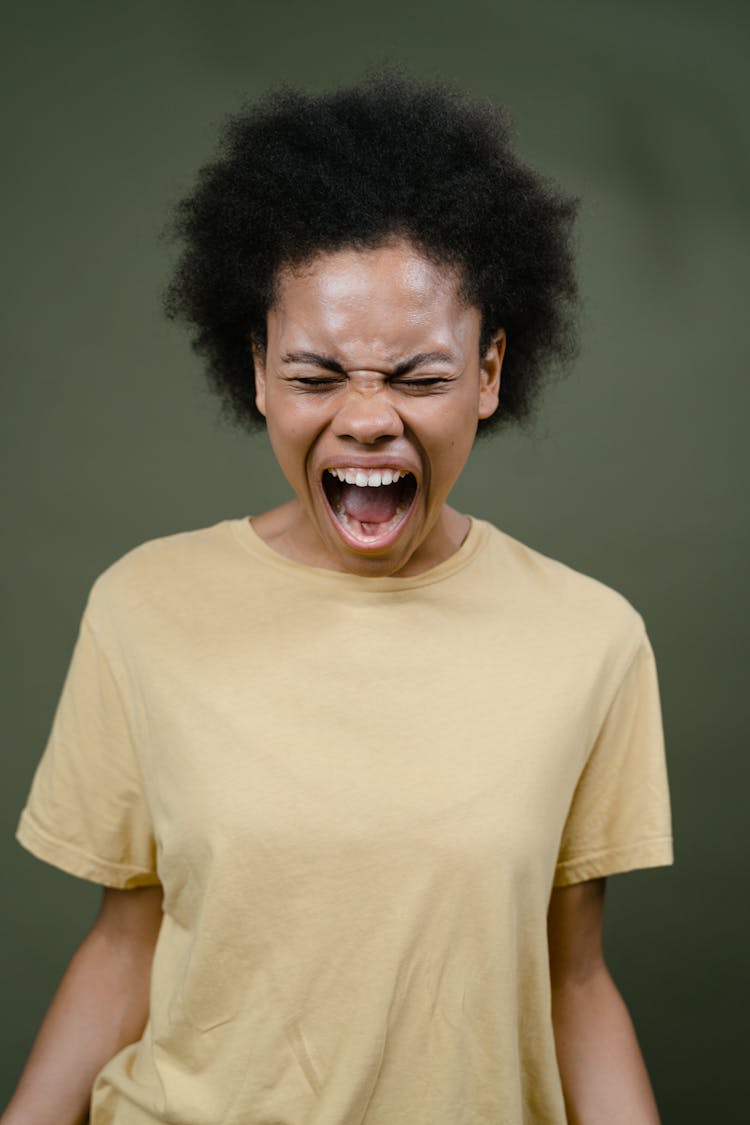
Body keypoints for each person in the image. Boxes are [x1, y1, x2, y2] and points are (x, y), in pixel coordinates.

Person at [3, 70, 674, 1125]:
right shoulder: (142, 605)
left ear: (491, 373)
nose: (366, 420)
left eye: (417, 377)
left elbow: (575, 983)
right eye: (317, 376)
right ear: (259, 371)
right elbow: (125, 945)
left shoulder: (593, 640)